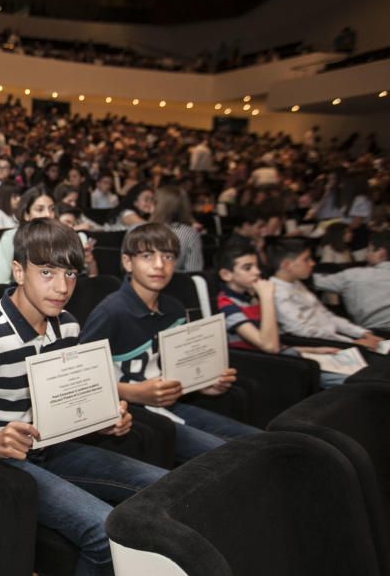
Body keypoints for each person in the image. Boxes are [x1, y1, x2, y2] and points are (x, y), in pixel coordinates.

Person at [0, 218, 166, 576]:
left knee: (165, 487)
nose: (61, 287)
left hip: (53, 447)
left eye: (70, 273)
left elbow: (65, 400)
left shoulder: (68, 326)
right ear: (18, 271)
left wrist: (103, 420)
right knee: (102, 531)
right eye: (47, 273)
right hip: (5, 460)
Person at [80, 223, 259, 464]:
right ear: (127, 262)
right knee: (232, 457)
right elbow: (84, 382)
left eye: (168, 256)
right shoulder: (110, 313)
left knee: (258, 442)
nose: (159, 265)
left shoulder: (174, 308)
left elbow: (177, 369)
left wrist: (204, 384)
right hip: (134, 412)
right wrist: (135, 393)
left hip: (171, 404)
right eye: (147, 256)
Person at [215, 237, 347, 389]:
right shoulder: (226, 305)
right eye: (247, 268)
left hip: (280, 357)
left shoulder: (250, 297)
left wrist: (311, 350)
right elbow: (269, 347)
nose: (257, 272)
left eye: (257, 266)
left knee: (350, 373)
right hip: (260, 366)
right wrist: (266, 298)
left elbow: (275, 345)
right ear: (226, 274)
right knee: (346, 382)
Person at [267, 238, 385, 349]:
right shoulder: (277, 292)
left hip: (333, 339)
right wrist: (351, 343)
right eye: (306, 259)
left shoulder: (296, 283)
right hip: (317, 345)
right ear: (286, 265)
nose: (312, 263)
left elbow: (328, 317)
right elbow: (302, 331)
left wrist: (363, 333)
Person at [312, 231, 390, 332]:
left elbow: (315, 282)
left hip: (375, 336)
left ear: (381, 253)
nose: (366, 254)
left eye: (369, 249)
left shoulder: (354, 276)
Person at [0, 185, 56, 284]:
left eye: (52, 209)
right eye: (40, 210)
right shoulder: (10, 238)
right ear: (26, 214)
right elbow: (0, 283)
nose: (48, 214)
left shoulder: (59, 237)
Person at [151, 185, 203, 272]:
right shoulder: (190, 233)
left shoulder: (137, 229)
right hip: (179, 283)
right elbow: (193, 271)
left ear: (157, 205)